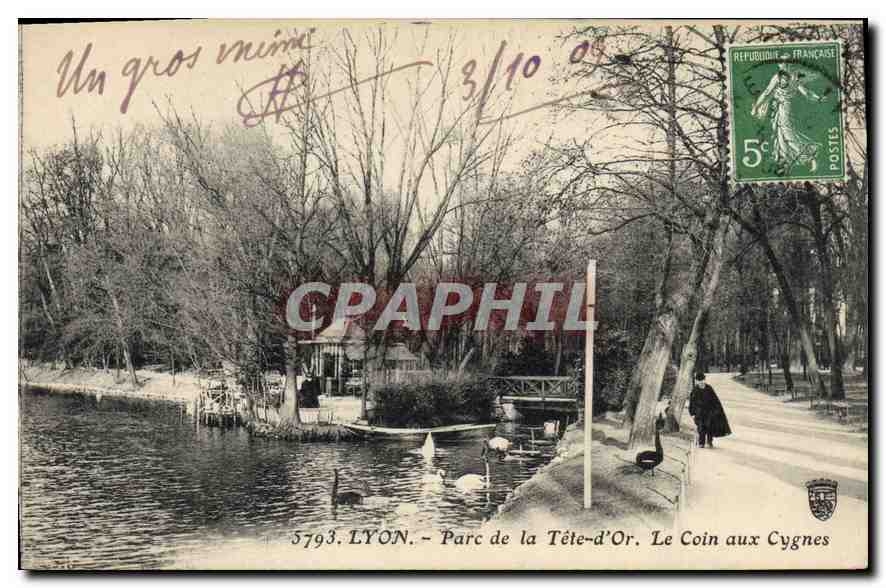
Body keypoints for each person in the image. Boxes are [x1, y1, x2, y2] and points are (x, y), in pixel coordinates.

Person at [688, 372, 732, 448]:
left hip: (709, 411)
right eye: (699, 380)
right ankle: (701, 443)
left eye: (702, 380)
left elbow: (715, 400)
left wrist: (717, 410)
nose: (701, 382)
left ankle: (709, 441)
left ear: (704, 380)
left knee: (709, 427)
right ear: (697, 381)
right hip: (699, 412)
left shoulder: (709, 388)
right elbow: (692, 402)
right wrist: (692, 413)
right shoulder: (695, 390)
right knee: (701, 427)